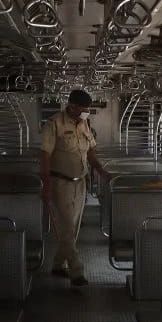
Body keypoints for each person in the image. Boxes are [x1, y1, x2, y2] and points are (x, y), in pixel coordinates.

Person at [40, 89, 111, 286]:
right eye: (83, 108)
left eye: (88, 109)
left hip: (80, 182)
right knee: (67, 229)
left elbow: (90, 153)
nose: (86, 112)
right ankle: (76, 271)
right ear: (71, 106)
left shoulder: (84, 125)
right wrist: (45, 186)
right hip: (59, 183)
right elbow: (45, 156)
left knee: (73, 229)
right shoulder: (54, 124)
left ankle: (57, 265)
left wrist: (102, 172)